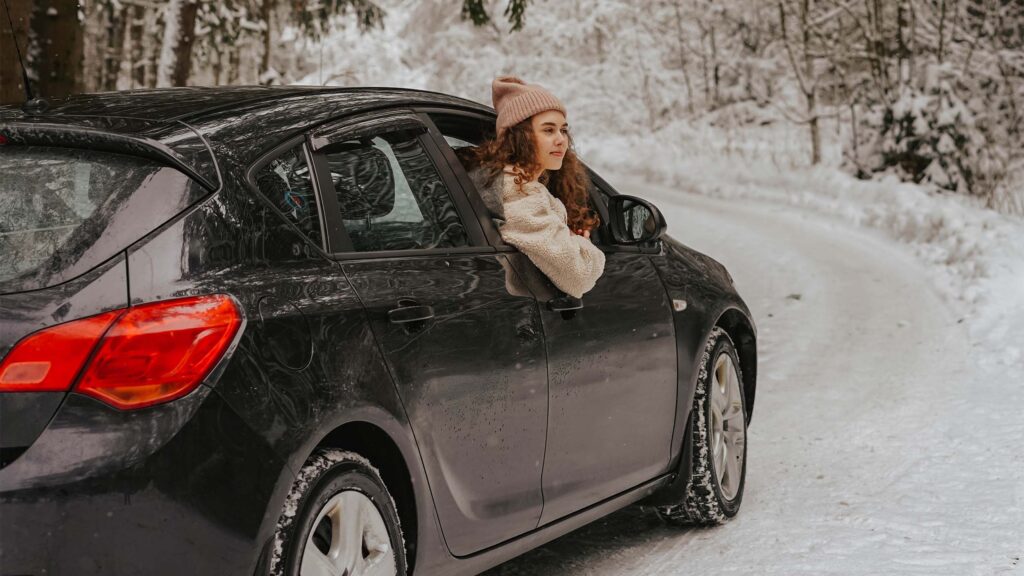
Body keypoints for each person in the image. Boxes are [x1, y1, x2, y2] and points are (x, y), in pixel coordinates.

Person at [460, 76, 606, 299]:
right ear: (521, 138)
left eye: (563, 130)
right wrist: (581, 244)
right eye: (548, 130)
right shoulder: (517, 194)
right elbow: (580, 275)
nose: (561, 140)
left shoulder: (516, 185)